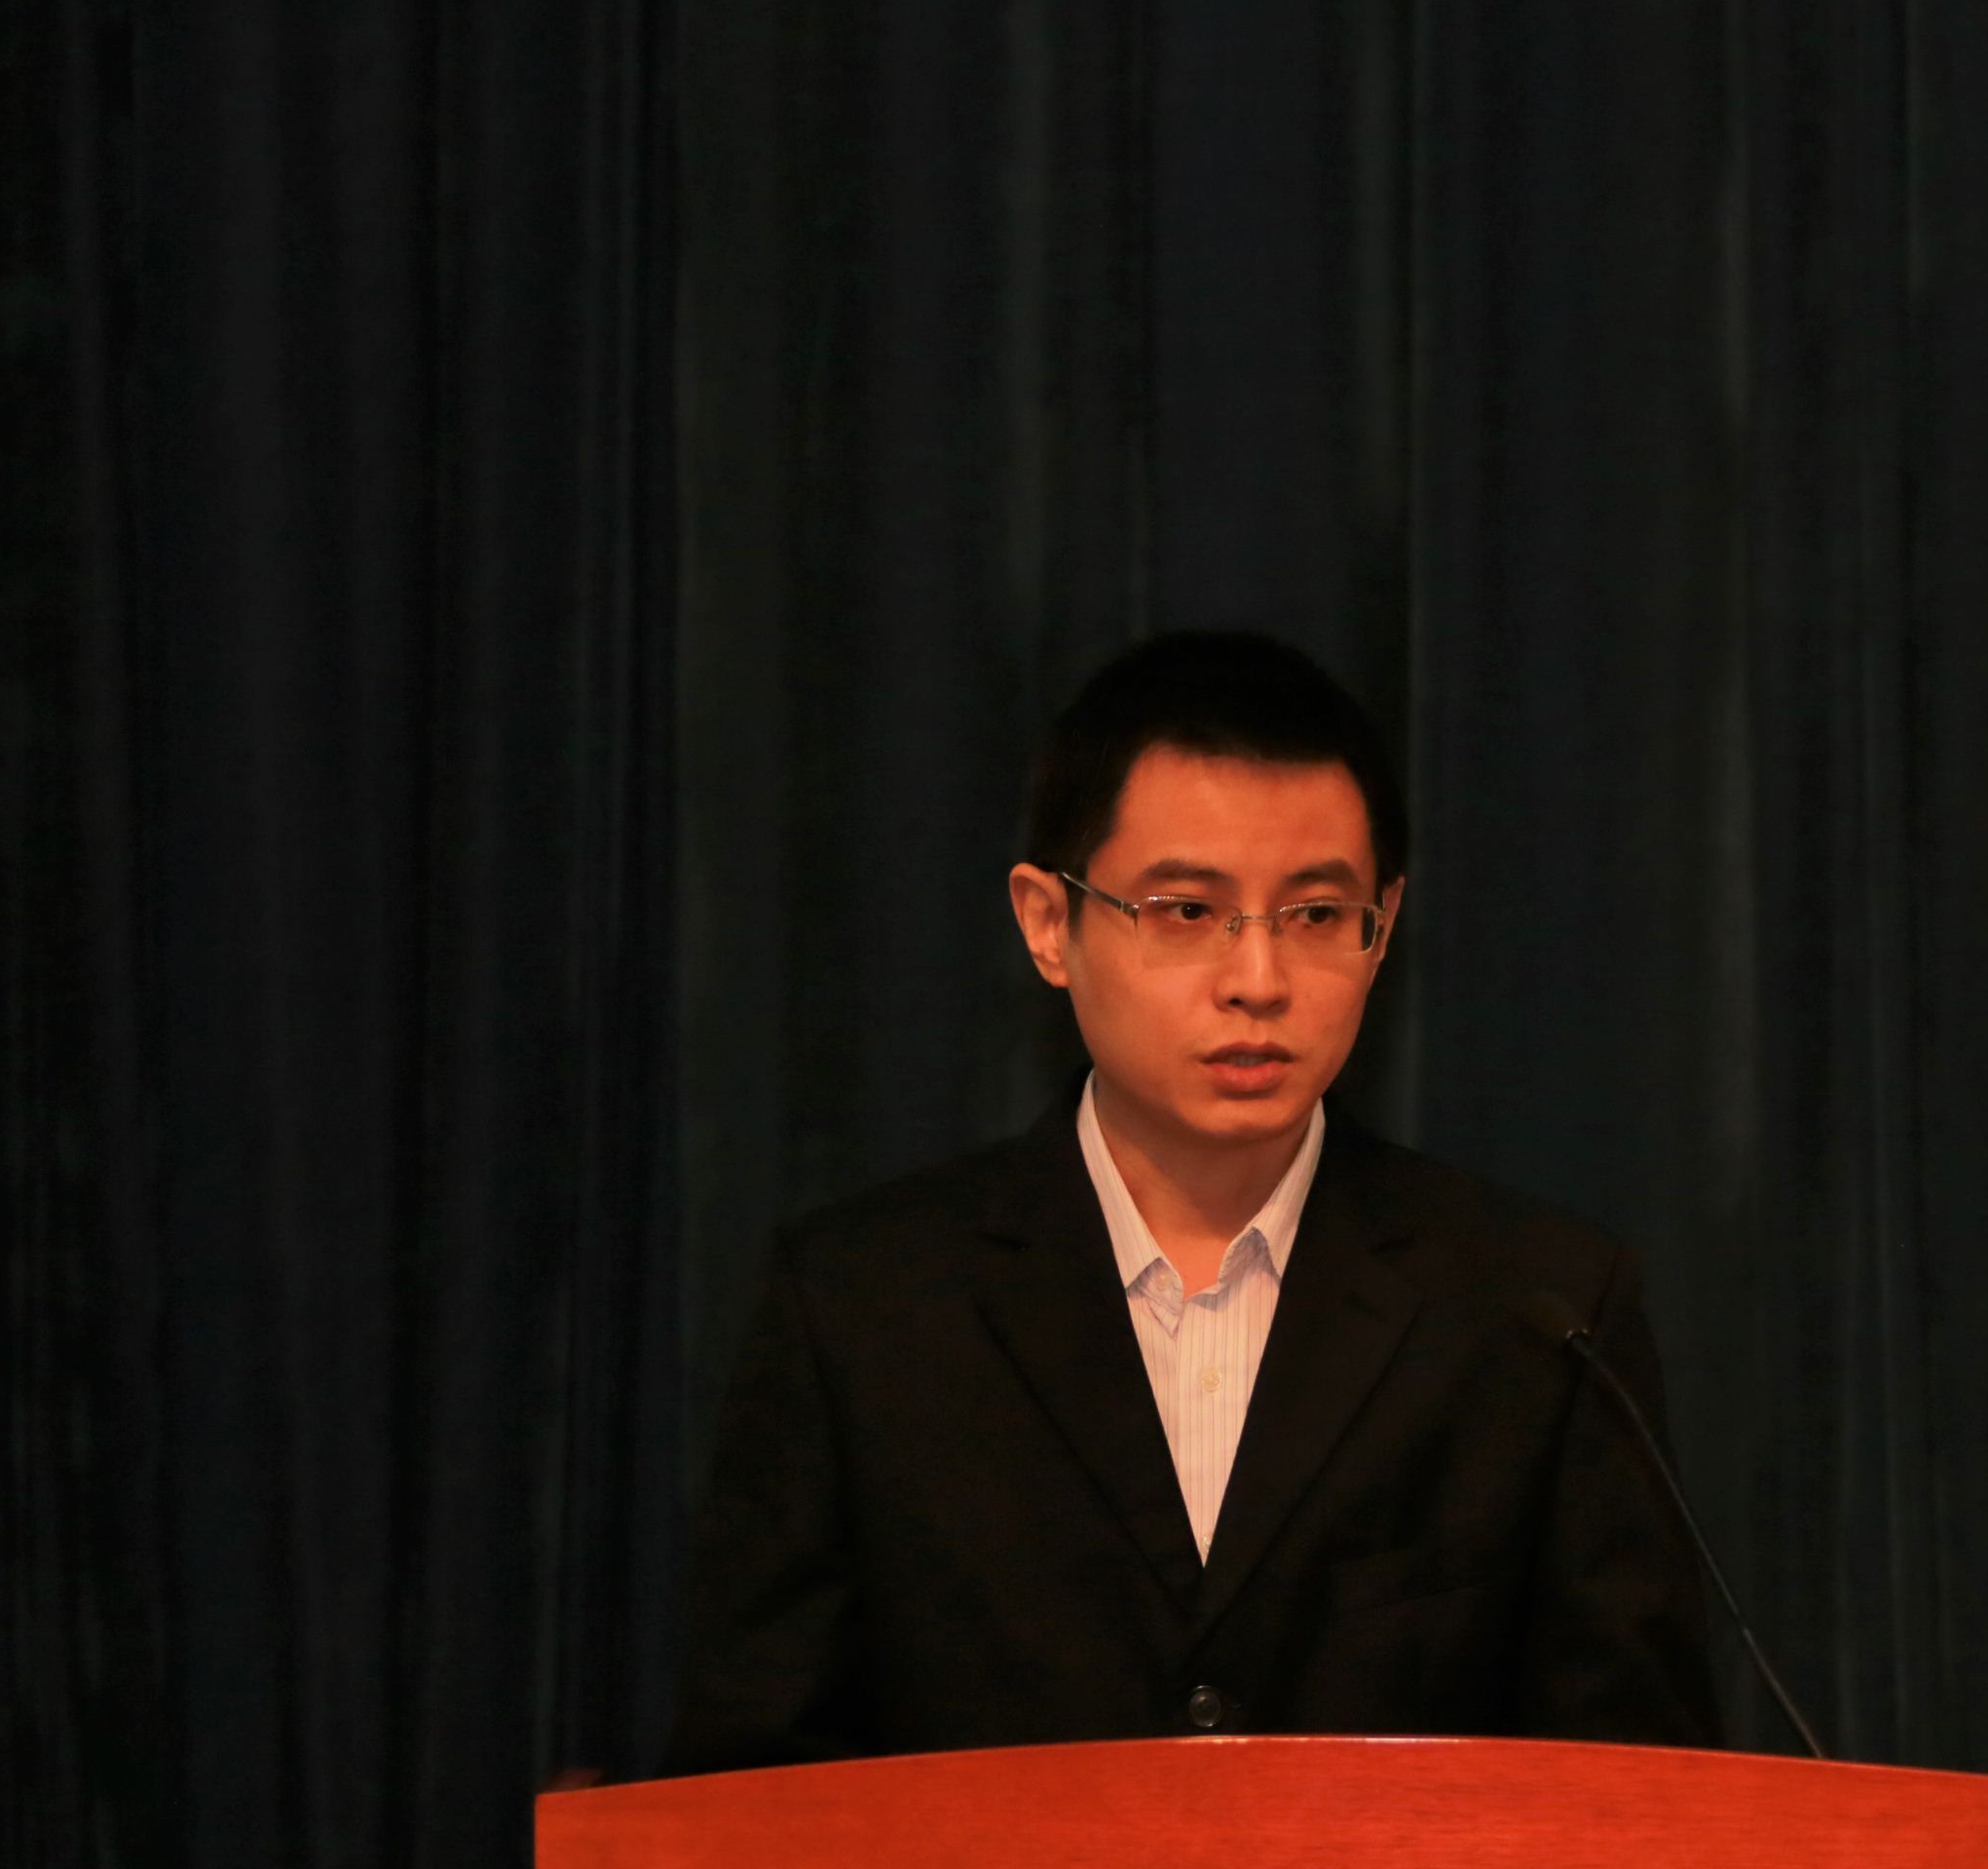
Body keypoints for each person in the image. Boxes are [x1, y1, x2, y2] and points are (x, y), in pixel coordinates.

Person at [658, 630, 1720, 1770]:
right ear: (1048, 923)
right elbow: (748, 1789)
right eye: (1184, 911)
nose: (1257, 982)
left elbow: (1635, 1796)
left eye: (1315, 915)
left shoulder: (1535, 1312)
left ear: (1383, 930)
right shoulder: (863, 1308)